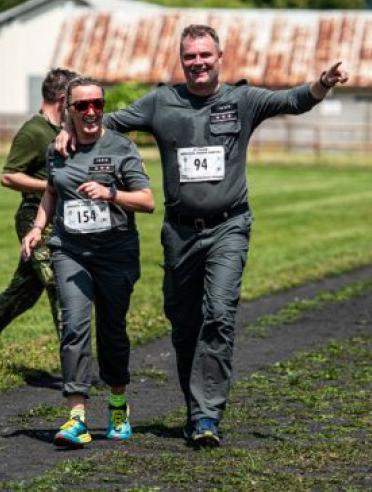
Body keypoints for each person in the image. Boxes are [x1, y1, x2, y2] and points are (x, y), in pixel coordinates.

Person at [56, 24, 349, 447]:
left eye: (205, 55)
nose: (198, 63)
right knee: (184, 325)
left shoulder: (242, 100)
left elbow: (292, 100)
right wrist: (67, 127)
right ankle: (195, 410)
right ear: (182, 60)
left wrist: (323, 82)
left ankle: (207, 415)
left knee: (219, 314)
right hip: (179, 233)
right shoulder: (161, 102)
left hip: (229, 226)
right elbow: (104, 122)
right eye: (190, 56)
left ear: (219, 57)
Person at [22, 76, 154, 447]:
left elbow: (147, 201)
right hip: (70, 251)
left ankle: (117, 405)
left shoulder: (122, 147)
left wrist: (111, 194)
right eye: (82, 105)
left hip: (115, 253)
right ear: (70, 110)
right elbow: (52, 192)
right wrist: (37, 227)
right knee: (74, 326)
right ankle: (76, 417)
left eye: (97, 103)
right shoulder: (57, 149)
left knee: (112, 331)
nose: (91, 111)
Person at [0, 68, 78, 370]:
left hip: (61, 220)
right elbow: (8, 176)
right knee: (60, 285)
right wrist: (51, 185)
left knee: (23, 292)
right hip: (35, 219)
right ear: (62, 99)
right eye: (75, 101)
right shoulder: (34, 131)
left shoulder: (61, 130)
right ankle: (76, 366)